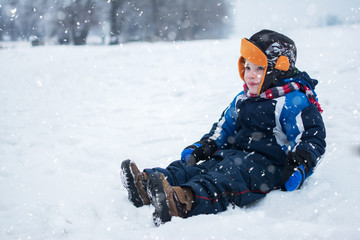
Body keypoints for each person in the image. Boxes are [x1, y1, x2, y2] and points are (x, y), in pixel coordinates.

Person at [120, 29, 326, 226]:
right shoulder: (243, 98)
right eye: (247, 67)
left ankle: (182, 201)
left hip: (267, 166)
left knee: (224, 178)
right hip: (233, 153)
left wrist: (301, 163)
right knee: (198, 166)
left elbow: (311, 138)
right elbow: (224, 126)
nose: (250, 75)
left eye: (259, 68)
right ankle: (148, 185)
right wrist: (207, 144)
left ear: (278, 70)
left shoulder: (292, 101)